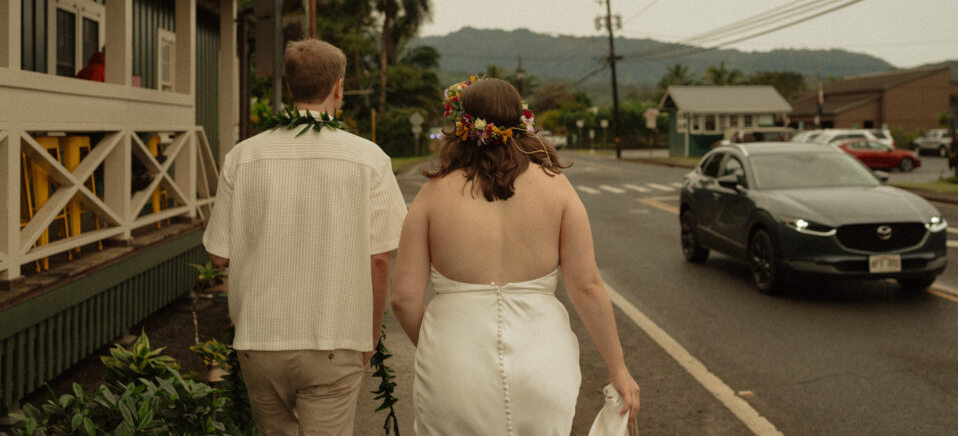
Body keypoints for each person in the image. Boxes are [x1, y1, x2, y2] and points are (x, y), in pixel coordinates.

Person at [391, 77, 639, 435]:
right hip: (542, 359)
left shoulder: (432, 195)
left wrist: (433, 343)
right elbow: (586, 286)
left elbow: (403, 298)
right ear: (523, 122)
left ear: (462, 125)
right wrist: (618, 369)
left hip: (454, 359)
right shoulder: (557, 188)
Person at [203, 39, 407, 436]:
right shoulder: (369, 158)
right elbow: (380, 259)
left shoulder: (243, 157)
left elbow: (218, 257)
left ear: (289, 84)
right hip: (336, 337)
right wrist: (369, 335)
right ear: (338, 87)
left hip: (260, 339)